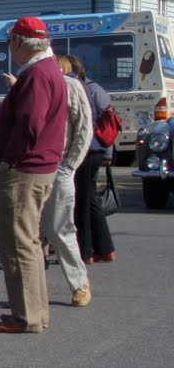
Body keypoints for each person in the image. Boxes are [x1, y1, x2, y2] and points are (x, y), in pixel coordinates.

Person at [0, 16, 69, 334]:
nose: (10, 48)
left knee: (19, 244)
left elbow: (30, 123)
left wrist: (11, 159)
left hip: (25, 169)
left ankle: (27, 316)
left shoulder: (36, 75)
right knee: (29, 243)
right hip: (38, 167)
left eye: (10, 42)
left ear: (19, 43)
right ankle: (34, 311)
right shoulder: (49, 71)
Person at [42, 54, 92, 307]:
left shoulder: (71, 87)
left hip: (59, 166)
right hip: (31, 169)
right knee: (31, 234)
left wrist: (70, 165)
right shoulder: (29, 85)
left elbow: (84, 128)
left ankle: (79, 283)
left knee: (59, 229)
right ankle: (32, 293)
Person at [71, 57, 118, 265]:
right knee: (88, 199)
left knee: (84, 199)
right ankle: (102, 248)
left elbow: (108, 122)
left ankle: (88, 249)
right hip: (94, 149)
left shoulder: (91, 89)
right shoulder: (92, 88)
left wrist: (108, 154)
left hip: (90, 149)